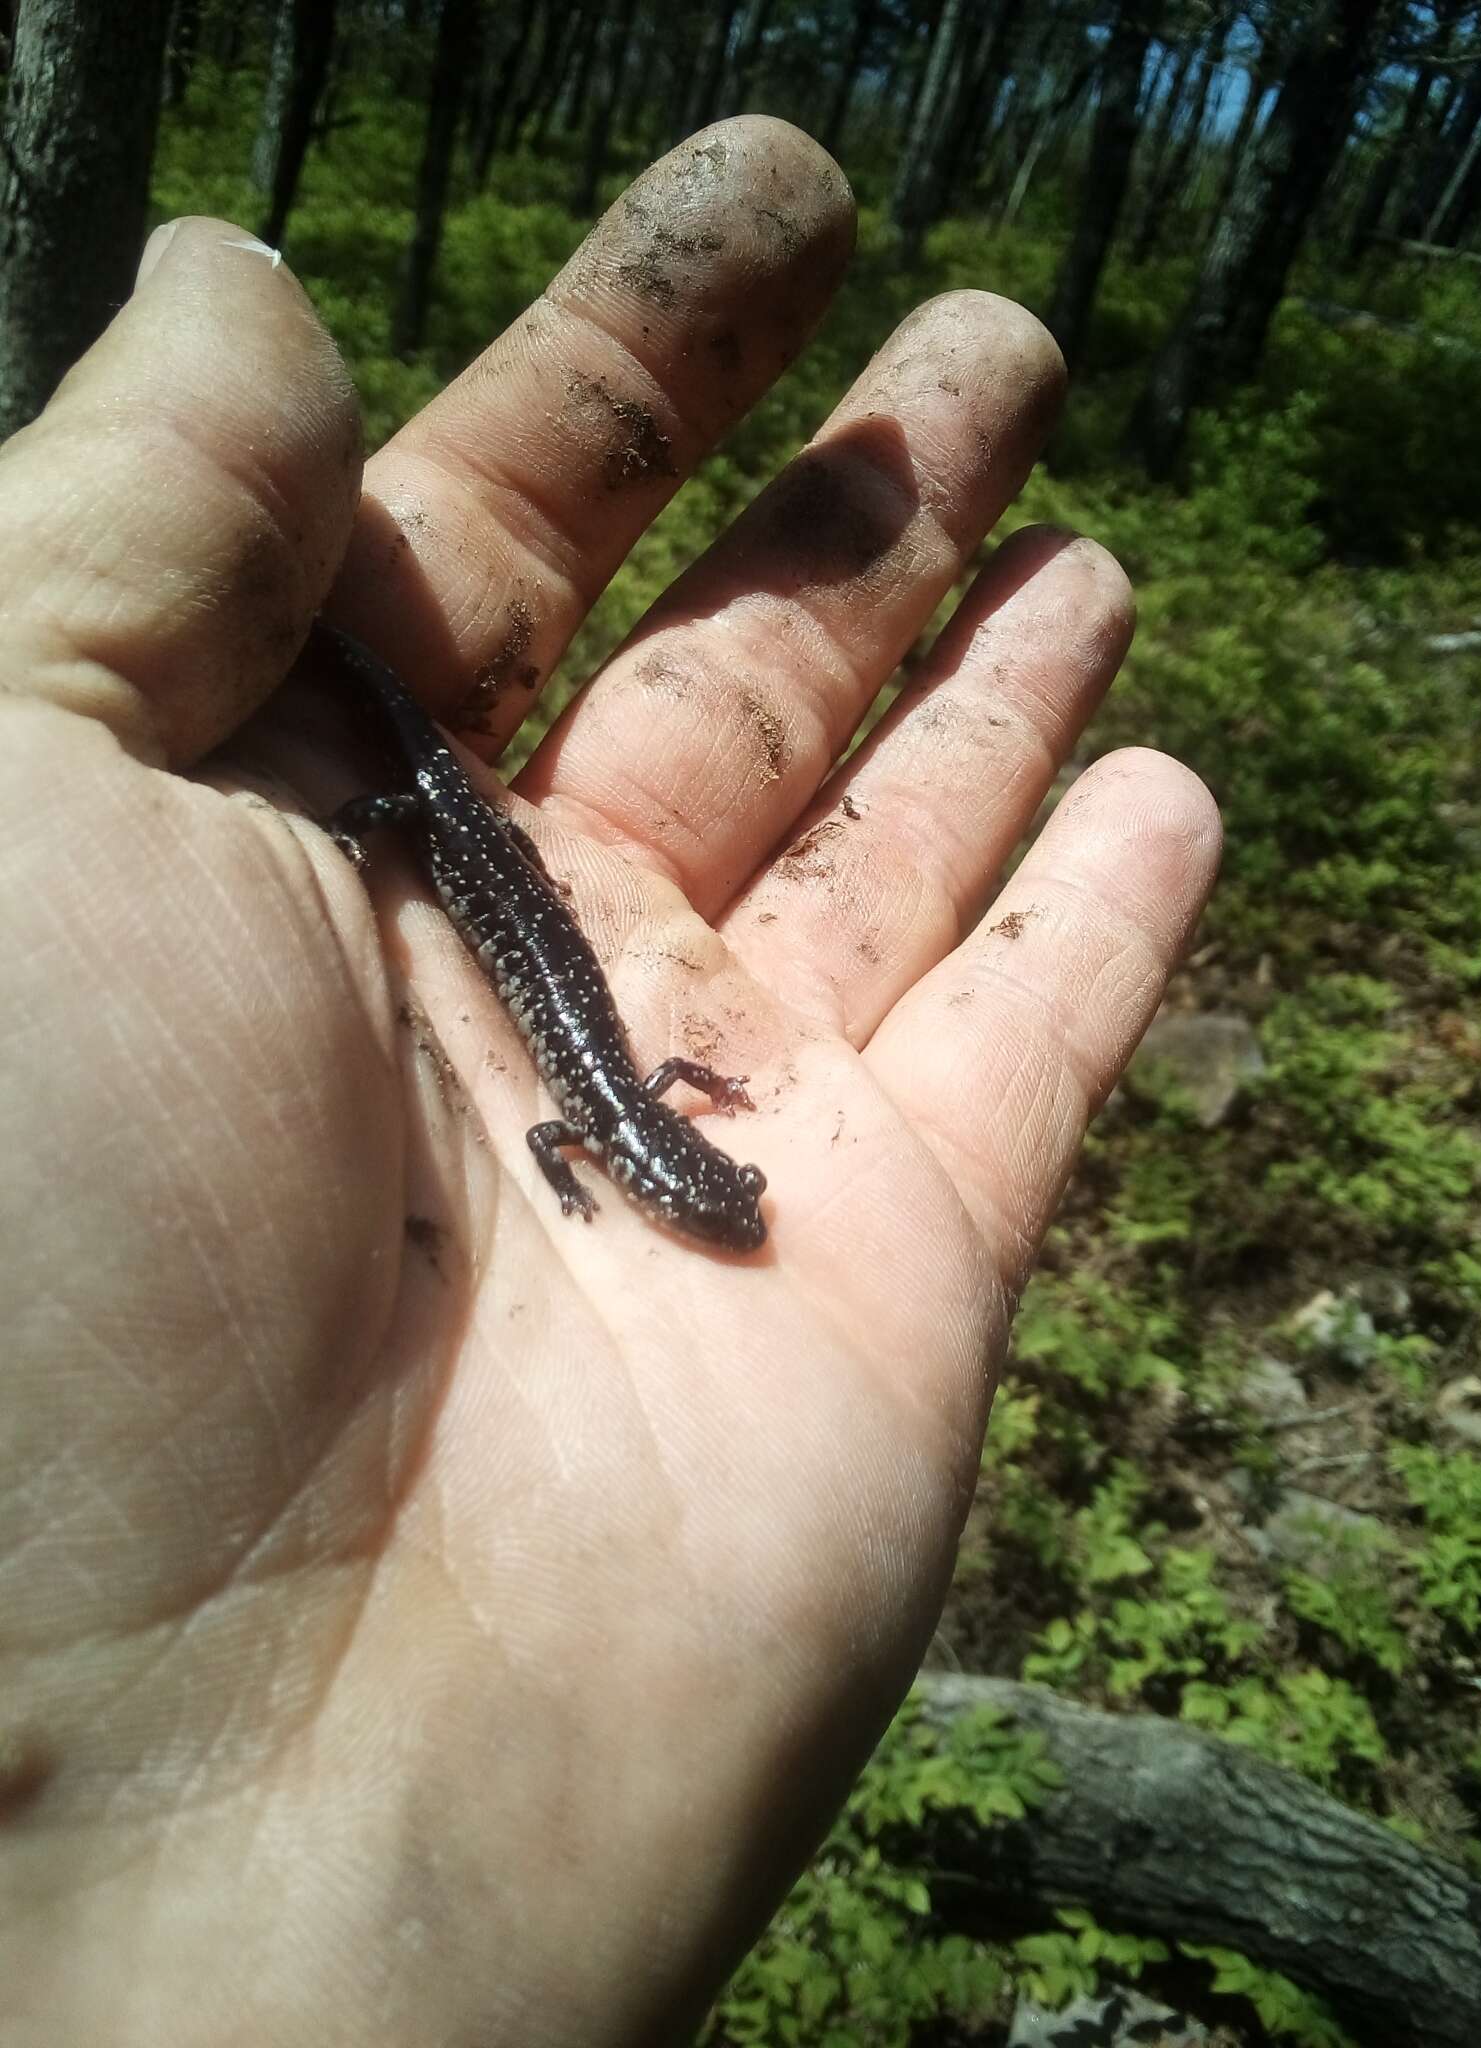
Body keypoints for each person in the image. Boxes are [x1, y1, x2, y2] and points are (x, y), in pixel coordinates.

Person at [0, 119, 1218, 2042]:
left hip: (520, 892)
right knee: (409, 785)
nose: (707, 1204)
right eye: (701, 1191)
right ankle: (376, 723)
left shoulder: (621, 1118)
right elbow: (583, 1117)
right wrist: (577, 1147)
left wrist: (613, 1157)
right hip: (453, 821)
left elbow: (590, 1113)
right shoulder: (612, 1122)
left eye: (697, 1196)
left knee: (456, 837)